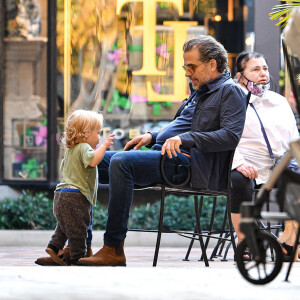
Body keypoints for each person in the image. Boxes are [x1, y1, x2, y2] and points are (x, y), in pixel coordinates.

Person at [77, 34, 247, 267]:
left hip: (191, 166)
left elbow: (230, 136)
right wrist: (153, 136)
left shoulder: (230, 92)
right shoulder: (199, 90)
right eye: (185, 67)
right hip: (167, 156)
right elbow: (183, 126)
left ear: (212, 64)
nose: (187, 73)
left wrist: (186, 138)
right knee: (86, 162)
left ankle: (113, 248)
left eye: (192, 67)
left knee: (121, 162)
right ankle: (78, 243)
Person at [230, 51, 299, 260]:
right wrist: (239, 163)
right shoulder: (231, 101)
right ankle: (246, 242)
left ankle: (289, 242)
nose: (263, 74)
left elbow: (293, 139)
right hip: (247, 164)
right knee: (237, 180)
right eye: (255, 69)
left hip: (280, 165)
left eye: (265, 68)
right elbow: (225, 139)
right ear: (240, 75)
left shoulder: (278, 101)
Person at [36, 109, 115, 266]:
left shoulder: (70, 151)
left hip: (61, 194)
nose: (99, 137)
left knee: (64, 226)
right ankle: (77, 259)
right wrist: (105, 145)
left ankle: (55, 247)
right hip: (76, 196)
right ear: (86, 134)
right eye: (98, 133)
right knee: (79, 231)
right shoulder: (84, 148)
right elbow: (93, 161)